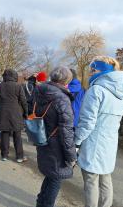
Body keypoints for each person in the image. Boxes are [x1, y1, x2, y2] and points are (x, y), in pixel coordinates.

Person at [75, 56, 123, 207]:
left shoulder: (96, 90)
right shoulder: (120, 92)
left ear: (100, 70)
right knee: (105, 180)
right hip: (109, 143)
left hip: (93, 144)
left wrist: (76, 142)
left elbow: (87, 122)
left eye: (93, 70)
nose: (90, 73)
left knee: (91, 181)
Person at [33, 66, 77, 207]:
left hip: (43, 138)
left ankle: (40, 203)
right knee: (55, 179)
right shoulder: (62, 99)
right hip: (56, 146)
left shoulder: (40, 91)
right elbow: (66, 131)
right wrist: (71, 156)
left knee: (51, 176)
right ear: (67, 81)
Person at [0, 69, 28, 162]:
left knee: (5, 133)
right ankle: (19, 157)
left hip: (3, 112)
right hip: (16, 112)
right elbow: (24, 101)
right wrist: (26, 113)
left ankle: (4, 155)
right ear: (15, 76)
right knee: (17, 135)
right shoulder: (18, 86)